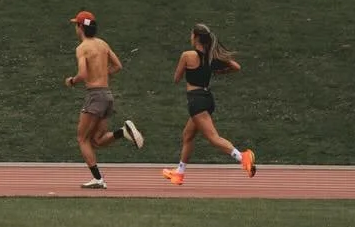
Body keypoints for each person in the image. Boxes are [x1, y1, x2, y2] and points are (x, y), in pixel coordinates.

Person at [160, 22, 256, 186]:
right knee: (187, 135)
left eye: (192, 35)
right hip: (206, 99)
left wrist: (188, 71)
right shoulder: (212, 56)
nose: (190, 37)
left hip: (196, 100)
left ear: (196, 37)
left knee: (213, 138)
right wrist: (219, 70)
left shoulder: (187, 55)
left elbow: (176, 79)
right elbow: (236, 66)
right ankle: (179, 173)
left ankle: (242, 157)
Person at [64, 10, 144, 189]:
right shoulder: (102, 44)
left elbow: (83, 74)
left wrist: (72, 81)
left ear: (80, 28)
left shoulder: (82, 48)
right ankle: (122, 132)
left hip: (95, 95)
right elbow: (117, 66)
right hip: (107, 95)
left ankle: (98, 179)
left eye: (76, 26)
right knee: (97, 140)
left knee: (82, 139)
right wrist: (101, 73)